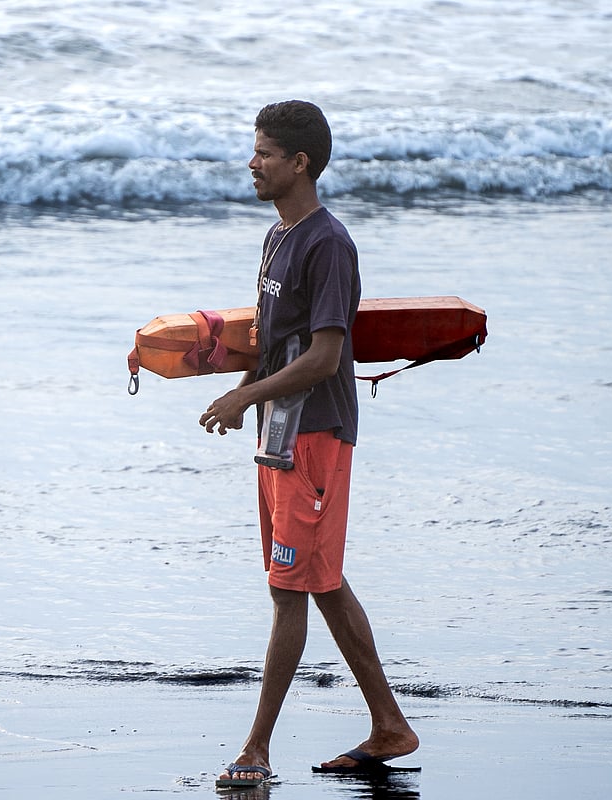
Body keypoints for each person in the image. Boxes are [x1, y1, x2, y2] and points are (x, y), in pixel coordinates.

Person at [199, 100, 418, 789]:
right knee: (315, 584)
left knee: (289, 588)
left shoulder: (328, 244)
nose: (252, 162)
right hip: (280, 437)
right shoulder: (276, 237)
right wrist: (227, 382)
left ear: (300, 163)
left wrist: (244, 396)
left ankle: (256, 748)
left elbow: (326, 356)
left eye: (264, 151)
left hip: (317, 435)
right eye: (252, 148)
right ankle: (389, 724)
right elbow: (273, 341)